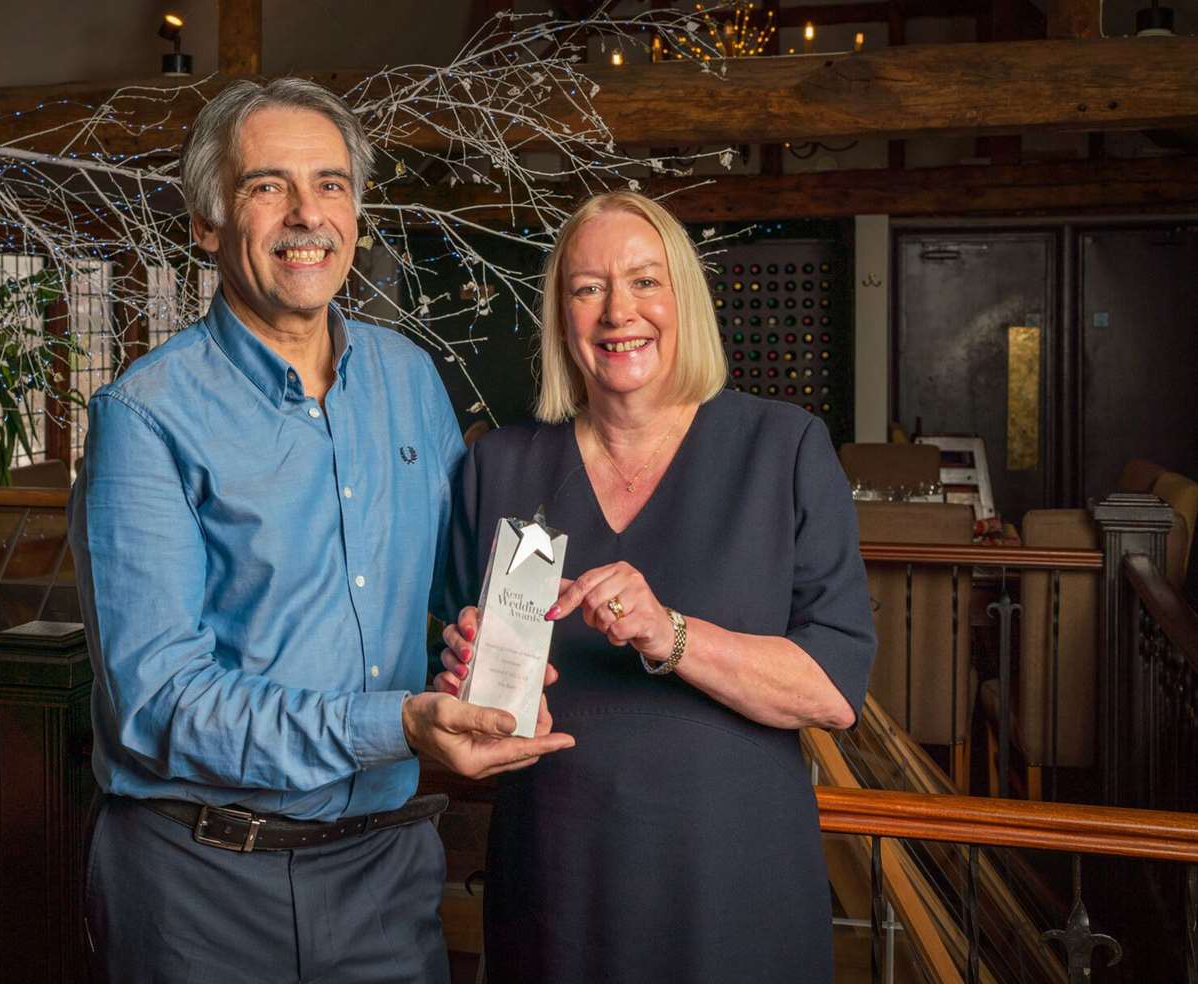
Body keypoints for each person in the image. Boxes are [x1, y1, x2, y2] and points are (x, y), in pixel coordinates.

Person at [68, 77, 574, 984]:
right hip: (202, 879)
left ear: (357, 210)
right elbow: (159, 705)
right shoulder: (144, 417)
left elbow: (451, 596)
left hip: (385, 872)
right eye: (268, 186)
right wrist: (401, 726)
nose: (307, 215)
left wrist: (485, 653)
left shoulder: (410, 378)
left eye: (331, 184)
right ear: (208, 224)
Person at [435, 190, 875, 983]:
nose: (617, 312)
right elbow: (452, 679)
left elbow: (832, 692)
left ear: (684, 300)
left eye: (644, 281)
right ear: (561, 314)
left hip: (732, 886)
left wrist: (667, 633)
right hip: (554, 882)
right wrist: (469, 676)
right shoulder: (497, 465)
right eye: (587, 287)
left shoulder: (782, 449)